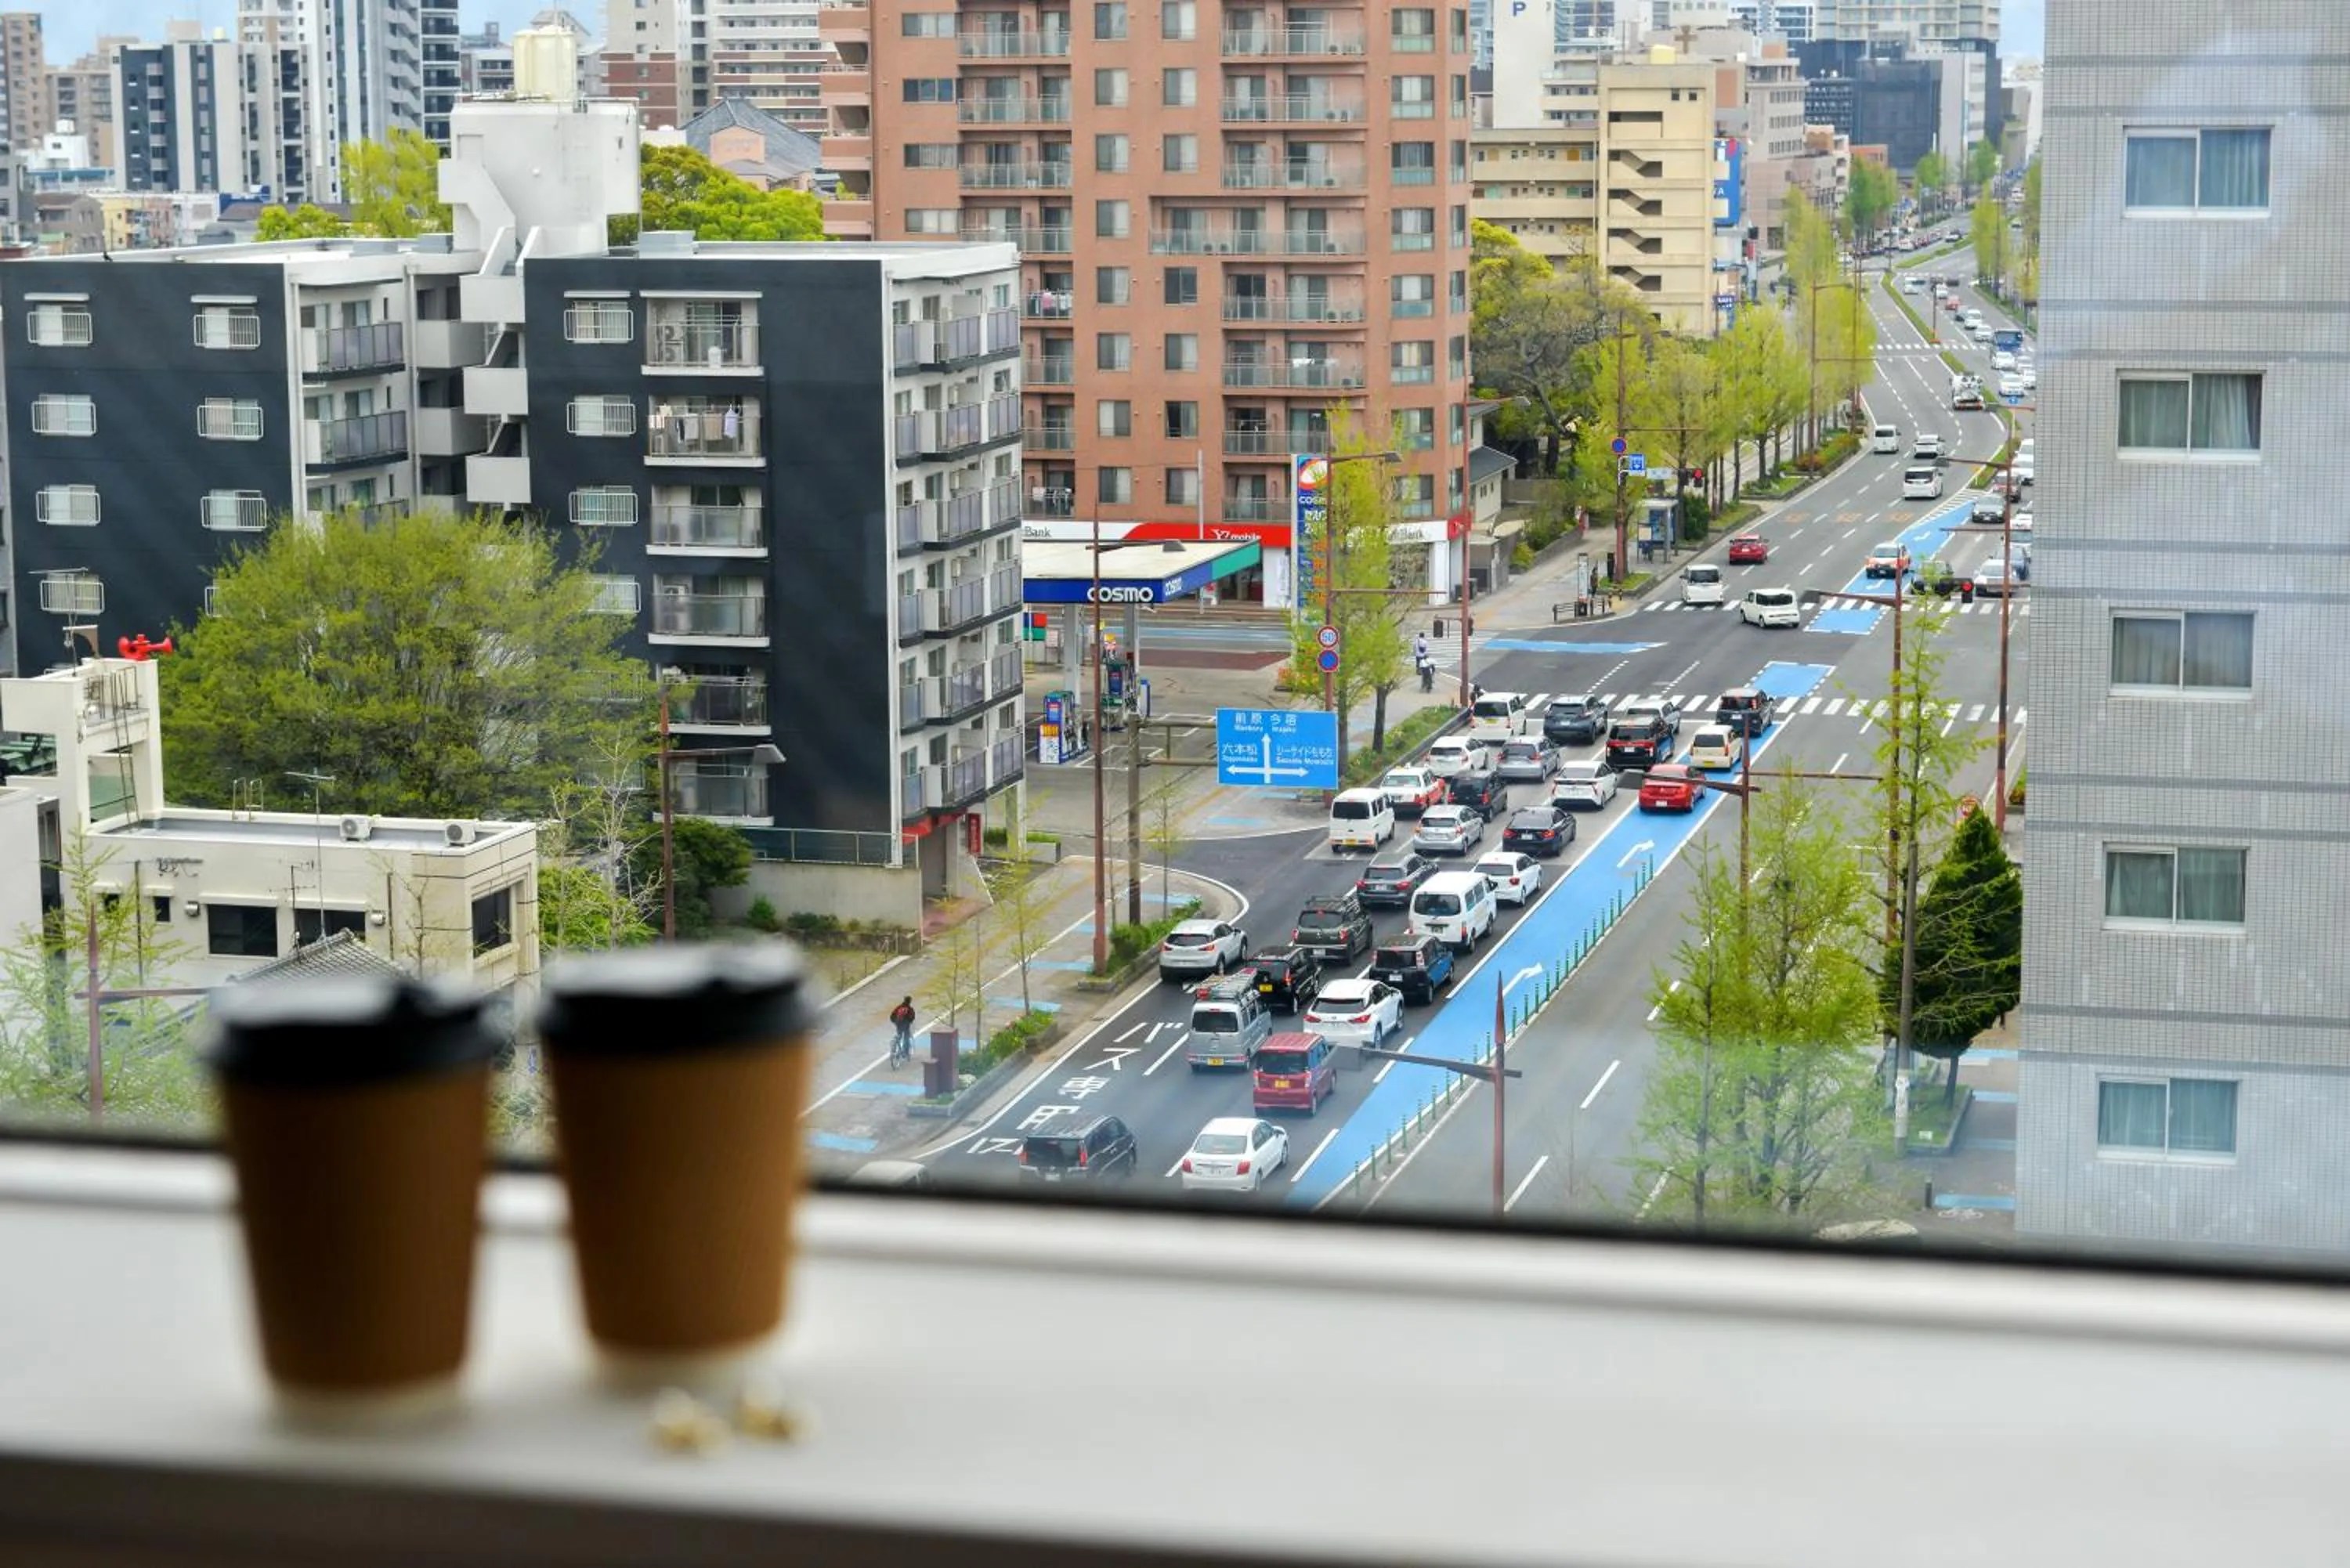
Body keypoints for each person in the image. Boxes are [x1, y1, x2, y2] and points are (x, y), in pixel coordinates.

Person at [888, 997, 916, 1066]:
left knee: (899, 1035)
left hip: (898, 1024)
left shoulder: (899, 1007)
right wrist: (909, 1022)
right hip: (906, 1025)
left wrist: (895, 1022)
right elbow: (912, 1018)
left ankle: (894, 1048)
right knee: (906, 1037)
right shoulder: (910, 1009)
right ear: (910, 1001)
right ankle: (906, 1053)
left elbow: (892, 1016)